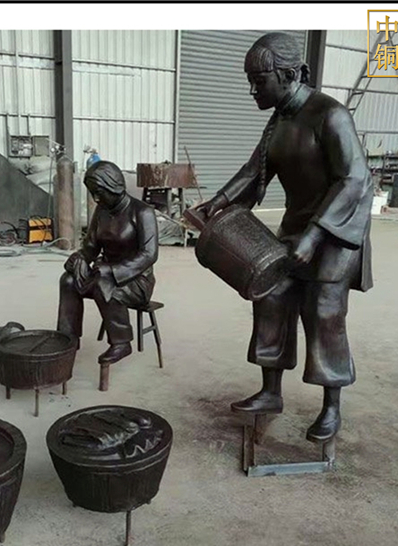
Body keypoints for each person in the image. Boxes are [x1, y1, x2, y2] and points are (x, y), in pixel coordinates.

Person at [196, 32, 373, 443]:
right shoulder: (278, 120)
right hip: (295, 229)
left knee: (323, 312)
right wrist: (217, 202)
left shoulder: (330, 115)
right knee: (271, 297)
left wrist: (314, 236)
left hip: (333, 233)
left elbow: (354, 179)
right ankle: (271, 392)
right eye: (251, 81)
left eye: (259, 80)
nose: (252, 90)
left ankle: (331, 408)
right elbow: (253, 170)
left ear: (289, 75)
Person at [57, 160, 159, 365]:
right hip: (103, 273)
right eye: (93, 193)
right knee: (68, 281)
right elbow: (91, 247)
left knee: (103, 285)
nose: (96, 198)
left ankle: (122, 342)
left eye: (99, 192)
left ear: (115, 186)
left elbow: (149, 254)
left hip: (136, 280)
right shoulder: (101, 211)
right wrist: (79, 258)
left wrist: (113, 271)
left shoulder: (142, 212)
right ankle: (69, 338)